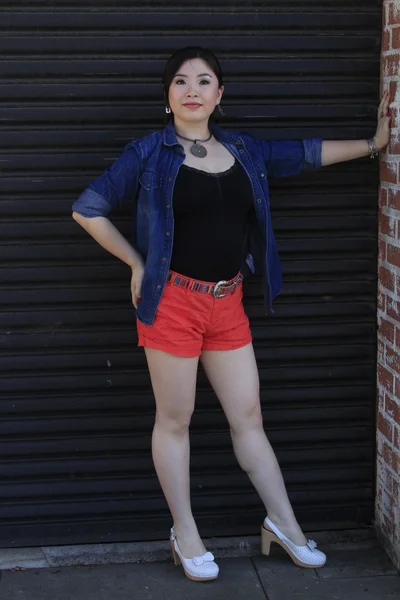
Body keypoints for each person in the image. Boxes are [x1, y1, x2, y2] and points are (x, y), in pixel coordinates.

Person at [72, 46, 391, 583]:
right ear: (167, 97)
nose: (191, 89)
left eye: (203, 80)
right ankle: (186, 532)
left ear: (220, 95)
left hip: (227, 303)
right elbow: (88, 208)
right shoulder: (149, 153)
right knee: (175, 421)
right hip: (172, 302)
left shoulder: (245, 150)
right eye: (180, 81)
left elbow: (304, 153)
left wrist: (372, 145)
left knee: (249, 419)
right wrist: (136, 262)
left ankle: (285, 524)